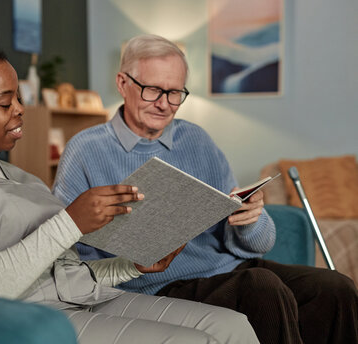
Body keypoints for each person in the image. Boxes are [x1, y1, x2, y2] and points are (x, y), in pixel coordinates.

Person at [0, 2, 260, 344]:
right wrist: (71, 223)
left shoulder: (20, 178)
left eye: (19, 98)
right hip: (23, 320)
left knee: (231, 325)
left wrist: (131, 266)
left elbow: (65, 278)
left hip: (81, 299)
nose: (20, 110)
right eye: (5, 103)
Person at [53, 34, 358, 344]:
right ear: (122, 83)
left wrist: (251, 220)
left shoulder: (196, 140)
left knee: (335, 287)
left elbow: (257, 244)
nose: (164, 104)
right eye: (153, 90)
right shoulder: (85, 150)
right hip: (156, 283)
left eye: (175, 93)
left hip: (229, 268)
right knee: (261, 288)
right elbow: (65, 251)